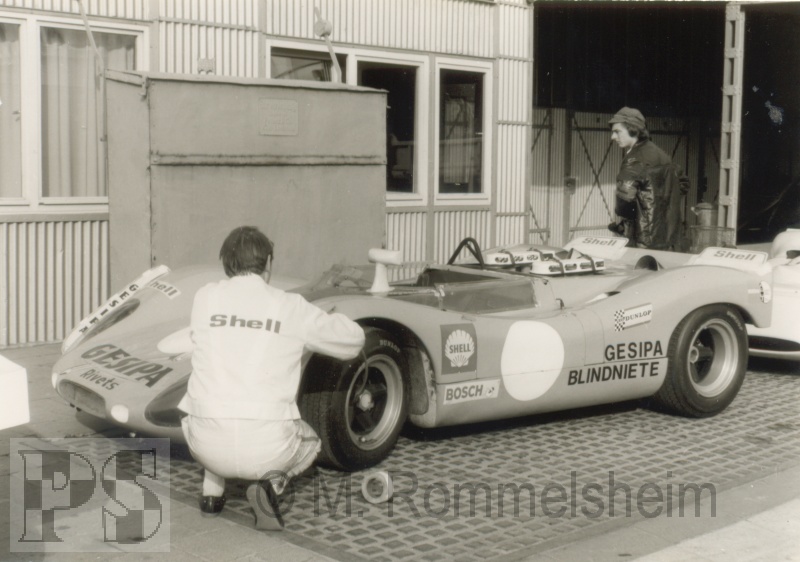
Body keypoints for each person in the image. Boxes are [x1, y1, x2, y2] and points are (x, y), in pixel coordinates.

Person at [178, 226, 365, 530]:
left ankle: (211, 494)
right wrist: (334, 315)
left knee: (218, 400)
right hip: (266, 448)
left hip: (204, 446)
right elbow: (352, 342)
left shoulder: (205, 297)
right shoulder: (290, 306)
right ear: (267, 264)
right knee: (311, 442)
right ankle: (268, 485)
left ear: (226, 263)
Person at [608, 107, 690, 249]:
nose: (613, 137)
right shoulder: (662, 155)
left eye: (617, 131)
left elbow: (623, 206)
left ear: (633, 129)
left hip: (643, 239)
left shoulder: (633, 160)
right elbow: (683, 184)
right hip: (670, 238)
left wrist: (643, 211)